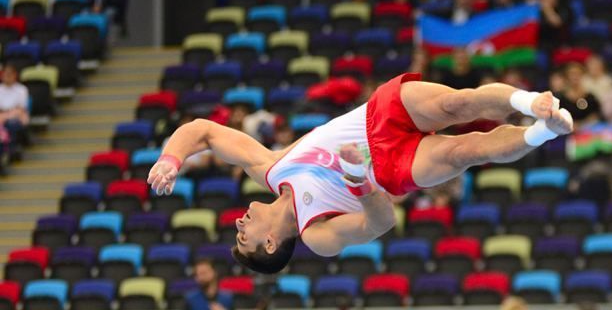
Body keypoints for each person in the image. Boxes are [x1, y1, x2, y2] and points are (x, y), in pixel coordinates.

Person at [149, 73, 573, 274]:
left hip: (378, 114)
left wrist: (171, 160)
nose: (240, 221)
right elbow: (381, 221)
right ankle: (542, 131)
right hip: (388, 171)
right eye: (244, 235)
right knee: (465, 151)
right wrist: (359, 181)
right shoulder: (317, 234)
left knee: (457, 106)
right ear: (271, 242)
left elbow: (202, 131)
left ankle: (530, 100)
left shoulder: (269, 169)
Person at [555, 62, 602, 127]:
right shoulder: (559, 98)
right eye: (572, 74)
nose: (575, 77)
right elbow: (556, 117)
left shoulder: (590, 97)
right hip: (565, 131)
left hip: (587, 131)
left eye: (578, 74)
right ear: (566, 77)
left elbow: (596, 116)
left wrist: (581, 125)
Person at [0, 65, 30, 158]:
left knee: (11, 124)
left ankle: (10, 150)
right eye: (5, 74)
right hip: (1, 115)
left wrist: (5, 116)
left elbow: (21, 108)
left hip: (17, 115)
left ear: (15, 75)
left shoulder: (21, 89)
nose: (7, 77)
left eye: (10, 74)